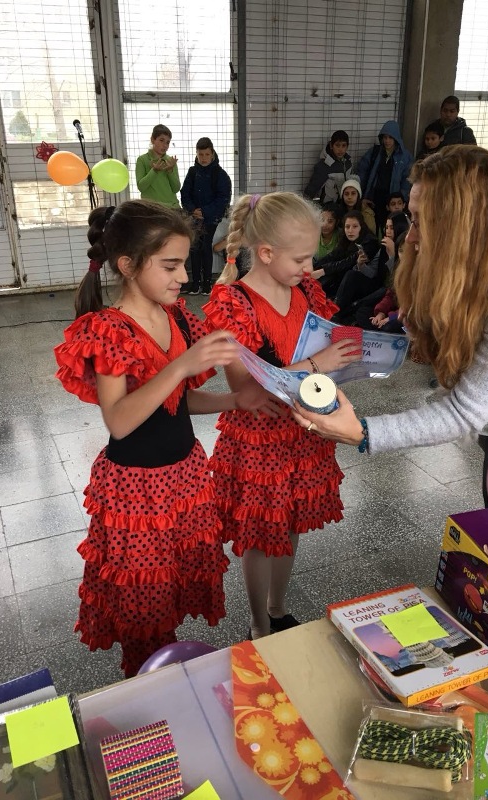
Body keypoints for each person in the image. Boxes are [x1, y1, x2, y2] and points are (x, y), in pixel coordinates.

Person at [54, 199, 268, 677]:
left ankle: (167, 674)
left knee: (172, 584)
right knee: (145, 604)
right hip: (137, 491)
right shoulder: (109, 330)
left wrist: (234, 400)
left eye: (184, 265)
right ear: (128, 265)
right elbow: (120, 420)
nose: (183, 278)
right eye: (170, 266)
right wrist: (181, 366)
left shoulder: (176, 318)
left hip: (184, 477)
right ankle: (149, 686)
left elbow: (176, 402)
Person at [292, 146, 488, 508]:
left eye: (421, 222)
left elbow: (463, 412)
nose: (410, 237)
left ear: (465, 225)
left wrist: (363, 432)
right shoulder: (476, 262)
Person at [203, 192, 360, 640]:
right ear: (267, 253)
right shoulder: (234, 302)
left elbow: (324, 349)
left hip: (302, 428)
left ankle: (278, 607)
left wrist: (351, 357)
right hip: (258, 438)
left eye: (312, 257)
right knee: (259, 534)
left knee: (290, 523)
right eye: (301, 259)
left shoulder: (306, 291)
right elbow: (247, 388)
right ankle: (258, 622)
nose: (310, 269)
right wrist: (317, 364)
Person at [180, 137, 232, 295]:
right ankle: (196, 283)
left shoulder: (220, 174)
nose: (203, 158)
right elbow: (185, 193)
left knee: (205, 246)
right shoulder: (192, 172)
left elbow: (223, 198)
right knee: (195, 247)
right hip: (194, 216)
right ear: (196, 154)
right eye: (200, 154)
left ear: (212, 154)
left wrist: (205, 211)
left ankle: (207, 283)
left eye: (207, 154)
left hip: (211, 217)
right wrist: (192, 209)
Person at [356, 121, 413, 234]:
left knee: (392, 228)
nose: (387, 141)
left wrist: (400, 201)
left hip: (393, 200)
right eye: (385, 137)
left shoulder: (405, 157)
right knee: (373, 227)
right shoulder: (375, 152)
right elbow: (362, 172)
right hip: (374, 198)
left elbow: (407, 180)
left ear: (396, 138)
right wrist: (361, 195)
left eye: (390, 138)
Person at [135, 124, 181, 208]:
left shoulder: (170, 161)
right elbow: (141, 187)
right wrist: (154, 171)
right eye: (161, 140)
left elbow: (176, 189)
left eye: (167, 142)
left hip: (172, 208)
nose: (165, 145)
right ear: (152, 139)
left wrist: (170, 171)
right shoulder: (142, 160)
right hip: (152, 209)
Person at [304, 130, 353, 204]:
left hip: (345, 204)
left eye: (343, 145)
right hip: (327, 206)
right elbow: (310, 191)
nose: (340, 149)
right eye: (337, 145)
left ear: (347, 146)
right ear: (331, 145)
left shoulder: (348, 163)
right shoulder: (323, 166)